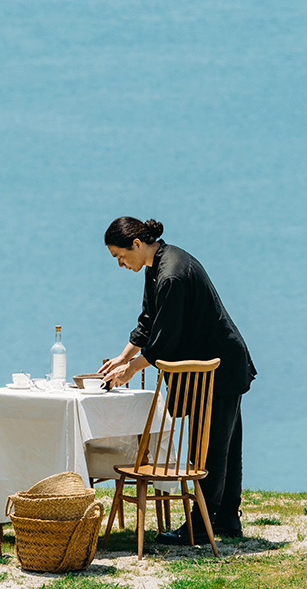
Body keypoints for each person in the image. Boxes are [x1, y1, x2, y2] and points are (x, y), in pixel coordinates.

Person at [101, 216, 257, 543]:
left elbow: (164, 341)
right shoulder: (155, 267)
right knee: (224, 445)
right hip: (207, 366)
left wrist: (131, 370)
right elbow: (148, 323)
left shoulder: (171, 274)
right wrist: (123, 357)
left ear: (137, 244)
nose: (120, 264)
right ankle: (227, 519)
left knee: (213, 449)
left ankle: (202, 526)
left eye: (120, 256)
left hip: (219, 367)